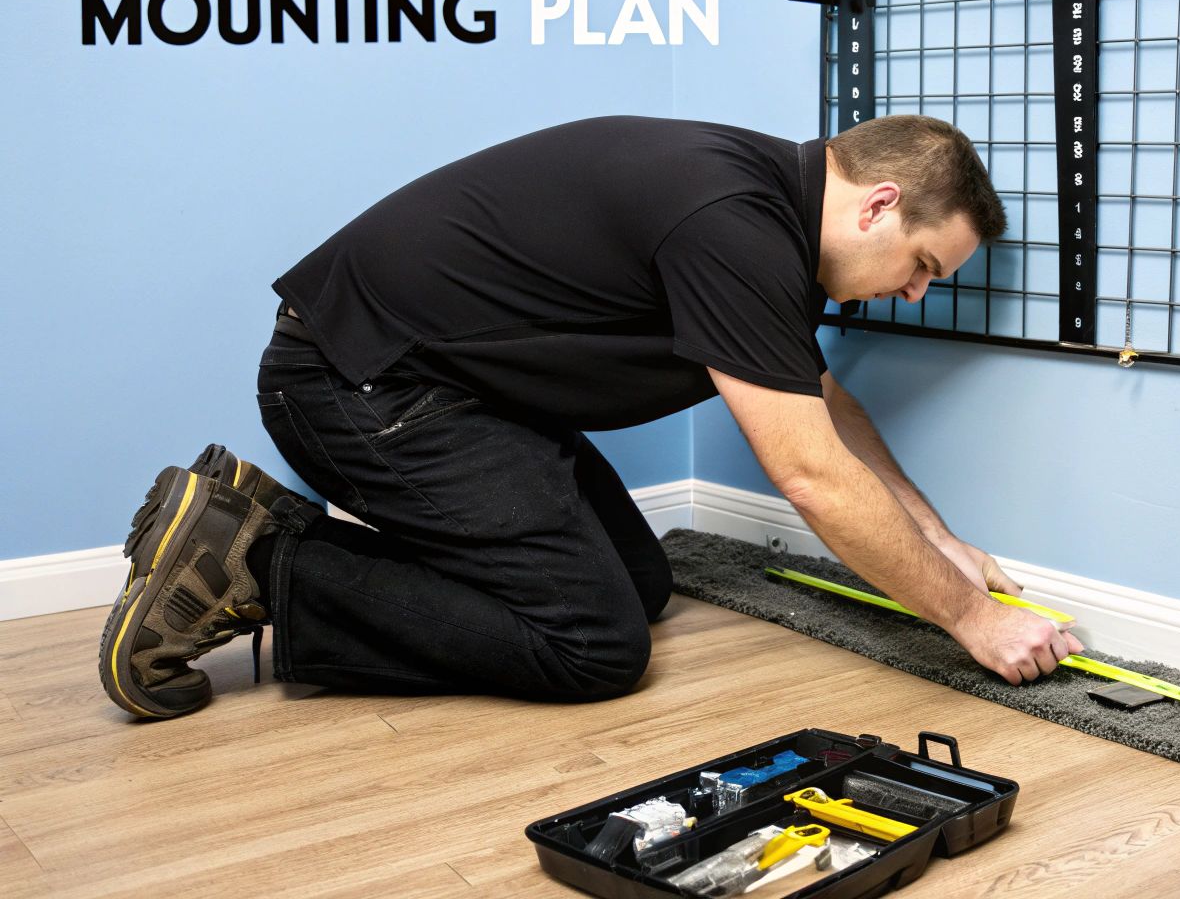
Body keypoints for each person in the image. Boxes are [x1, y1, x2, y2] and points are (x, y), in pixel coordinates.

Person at [98, 114, 1083, 719]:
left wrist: (938, 540)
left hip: (446, 389)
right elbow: (811, 475)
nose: (914, 295)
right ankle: (260, 560)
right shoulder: (732, 228)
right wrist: (971, 620)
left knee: (639, 583)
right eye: (922, 267)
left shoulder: (761, 208)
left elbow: (817, 397)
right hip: (356, 384)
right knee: (594, 646)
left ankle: (240, 526)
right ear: (877, 206)